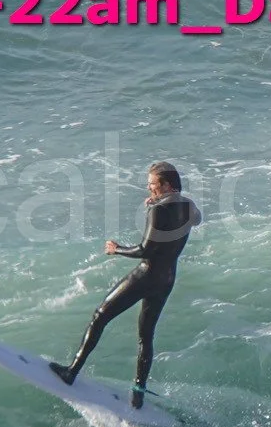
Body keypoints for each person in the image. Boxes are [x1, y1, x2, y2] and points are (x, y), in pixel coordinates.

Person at [56, 161, 200, 408]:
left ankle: (71, 372)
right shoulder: (189, 206)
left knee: (100, 316)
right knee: (146, 336)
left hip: (146, 275)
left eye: (152, 184)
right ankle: (138, 394)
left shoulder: (157, 210)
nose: (149, 188)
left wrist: (116, 249)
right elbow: (196, 220)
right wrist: (160, 202)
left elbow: (146, 249)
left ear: (166, 185)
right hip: (167, 279)